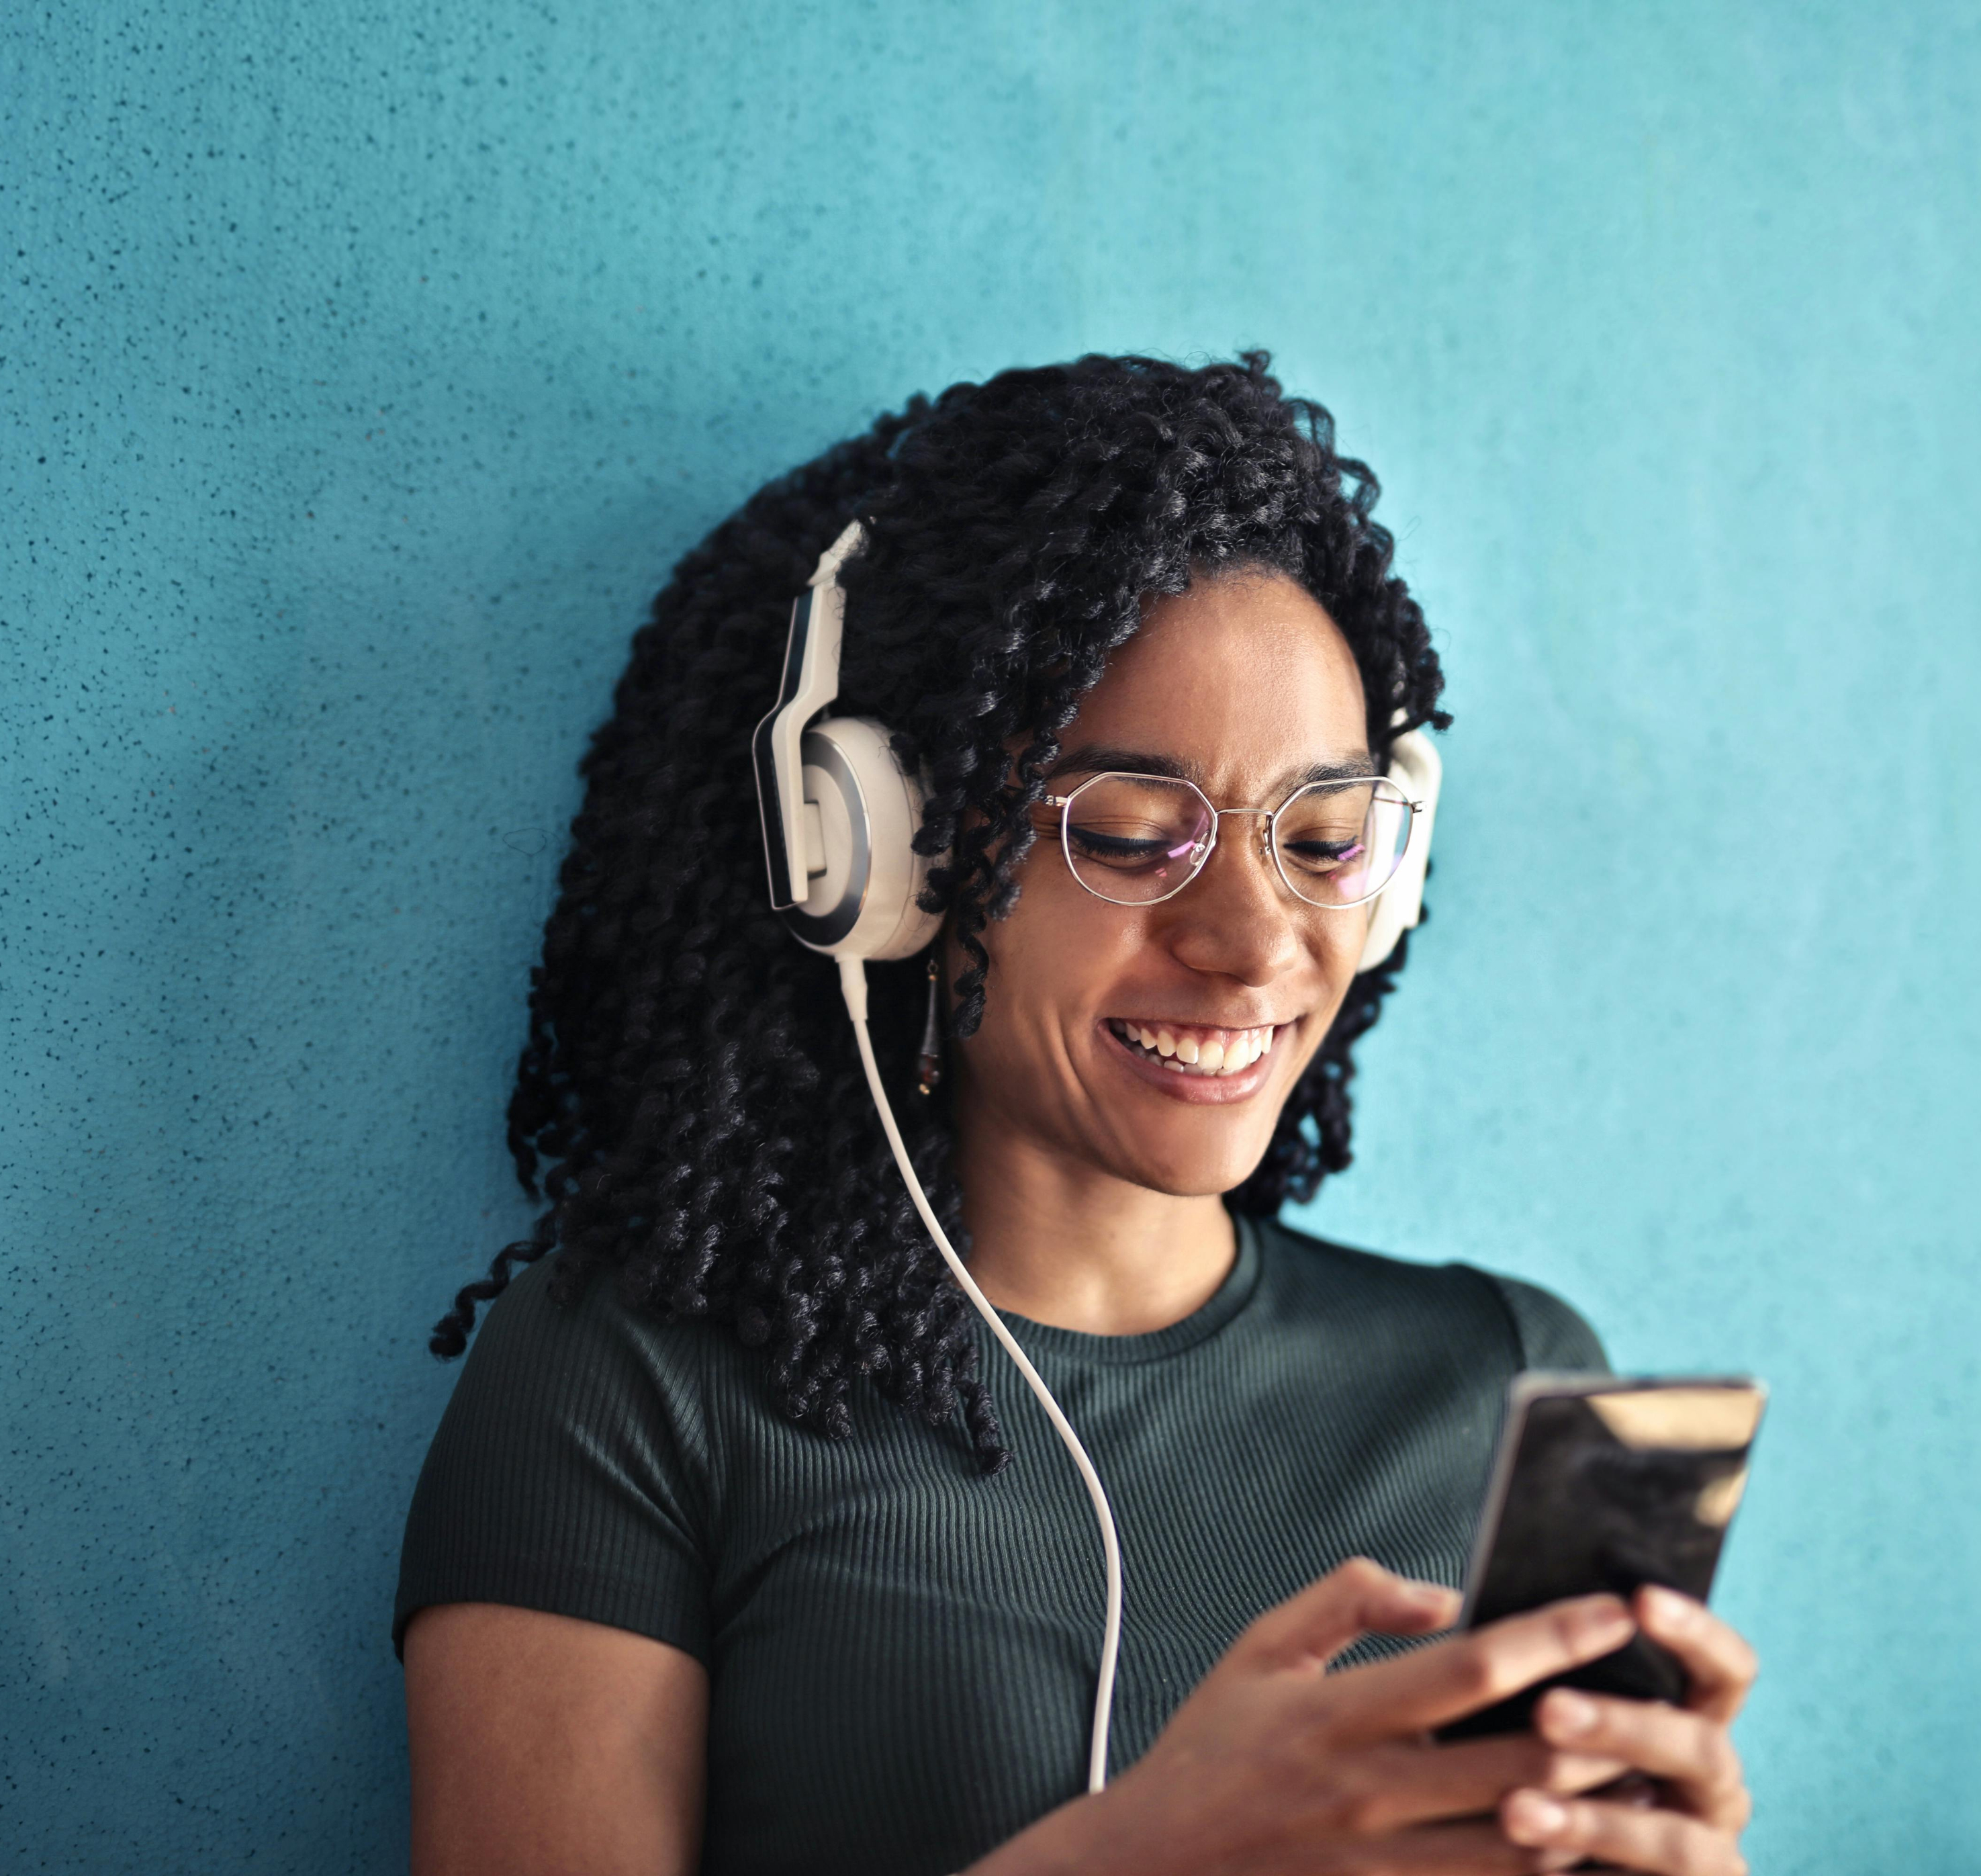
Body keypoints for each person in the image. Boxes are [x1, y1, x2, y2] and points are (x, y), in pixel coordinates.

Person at [396, 353, 1757, 1876]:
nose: (1251, 942)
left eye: (1320, 837)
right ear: (876, 854)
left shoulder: (1507, 1381)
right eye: (1127, 834)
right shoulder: (630, 1384)